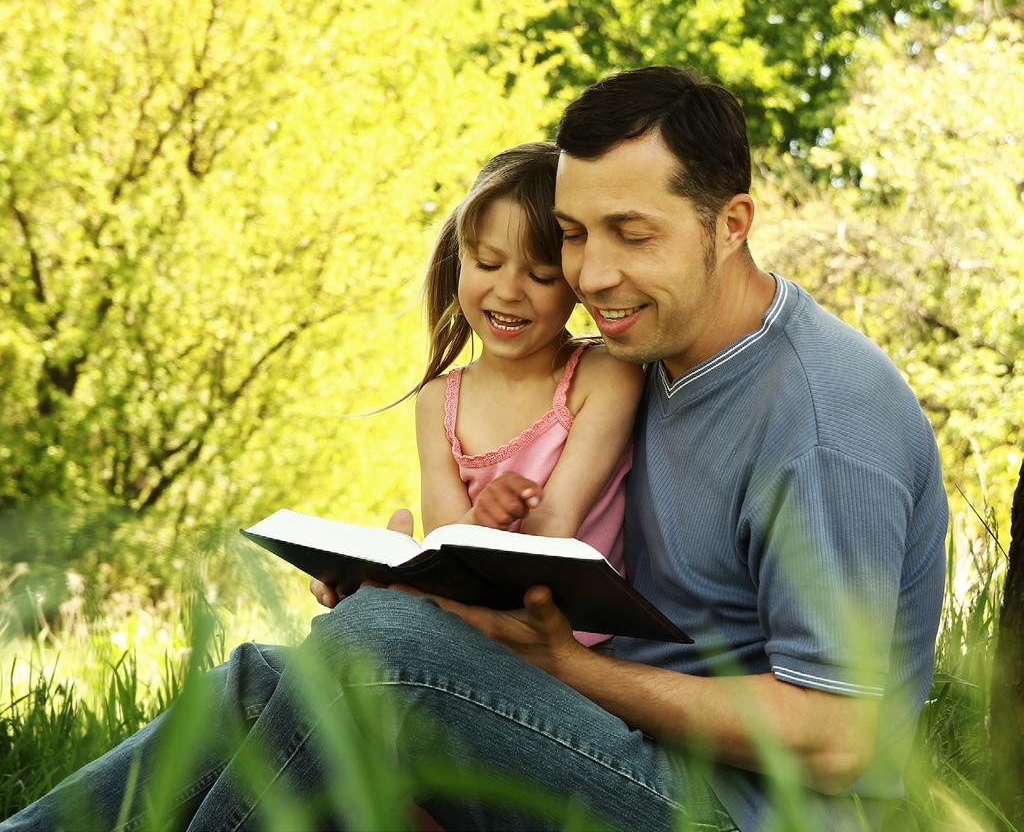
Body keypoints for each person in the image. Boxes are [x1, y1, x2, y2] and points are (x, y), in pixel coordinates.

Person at [3, 67, 947, 832]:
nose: (594, 275)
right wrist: (419, 581)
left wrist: (562, 668)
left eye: (632, 234)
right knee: (271, 679)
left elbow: (842, 738)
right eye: (575, 235)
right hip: (621, 739)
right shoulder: (645, 351)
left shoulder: (826, 418)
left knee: (372, 657)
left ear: (731, 223)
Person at [412, 141, 642, 647]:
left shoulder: (603, 378)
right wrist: (480, 522)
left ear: (576, 284)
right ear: (460, 261)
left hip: (574, 656)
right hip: (478, 638)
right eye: (488, 264)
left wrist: (489, 531)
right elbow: (448, 551)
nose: (510, 291)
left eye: (540, 276)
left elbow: (555, 524)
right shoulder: (437, 402)